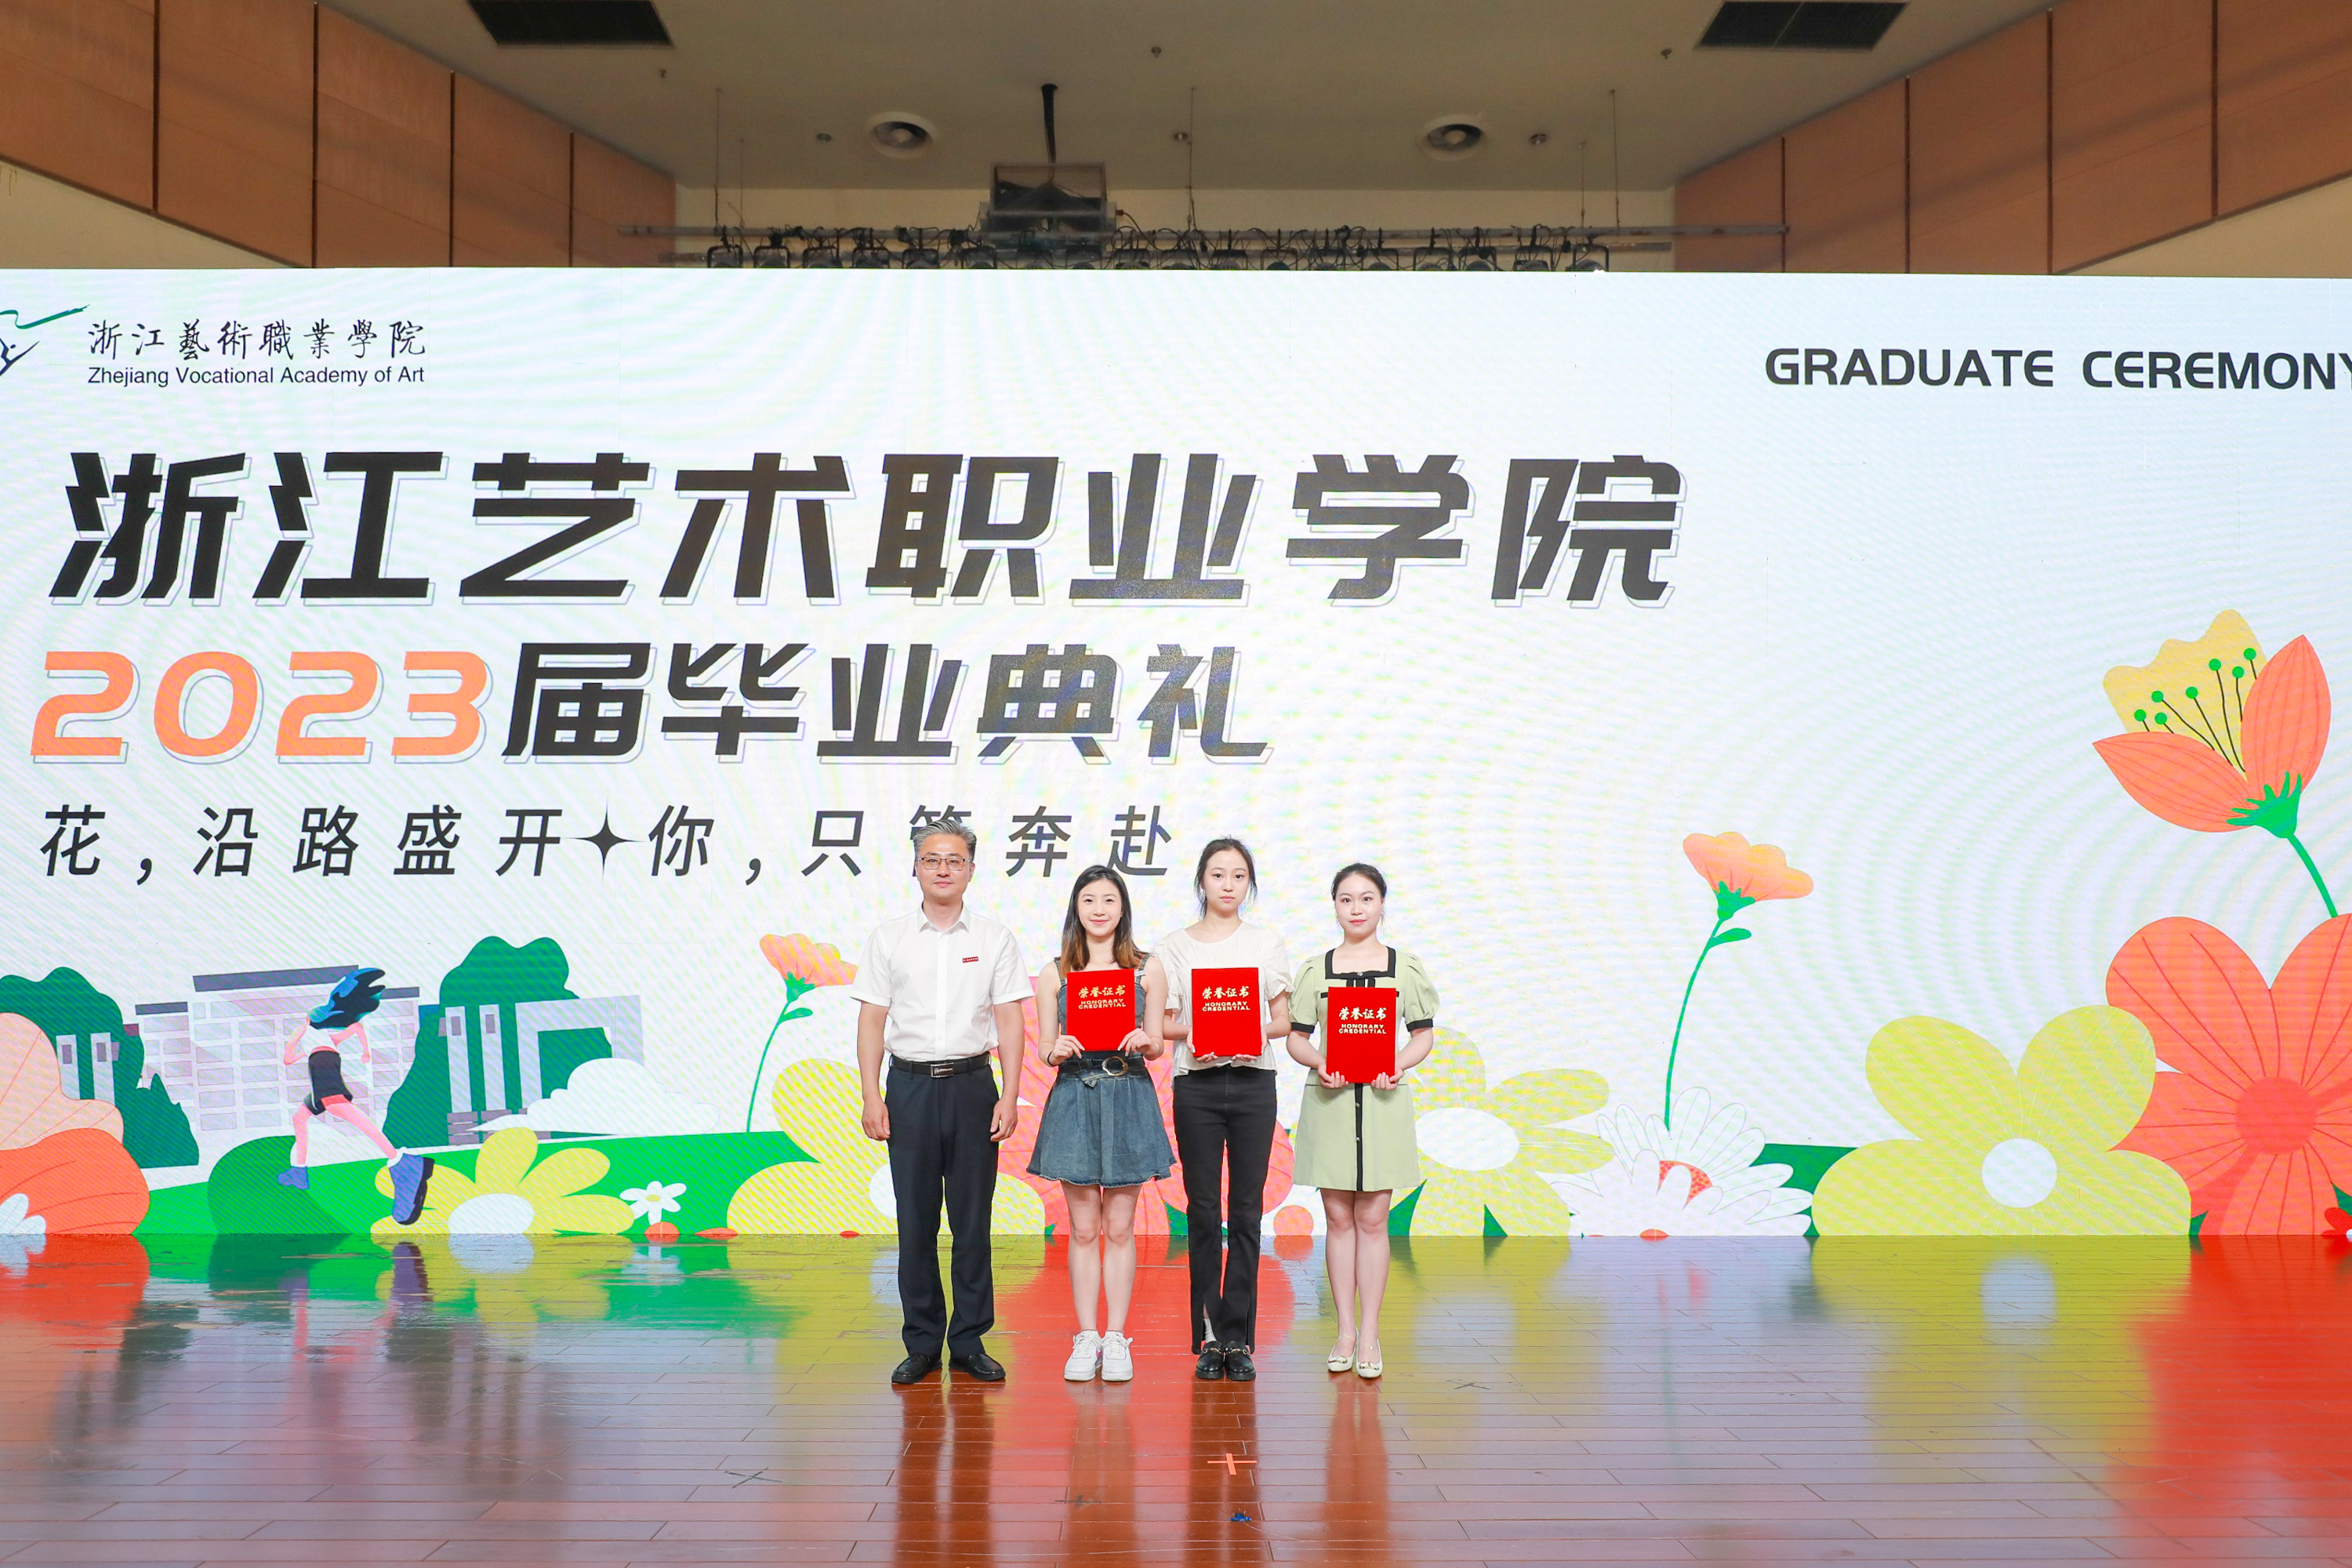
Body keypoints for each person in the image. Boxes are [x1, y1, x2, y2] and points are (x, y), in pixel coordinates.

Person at [852, 818, 1030, 1387]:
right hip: (908, 1088)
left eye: (955, 859)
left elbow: (1010, 1021)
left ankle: (970, 1341)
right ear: (916, 868)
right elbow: (872, 1021)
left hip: (974, 1088)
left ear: (972, 870)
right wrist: (871, 1095)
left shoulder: (995, 938)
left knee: (973, 1223)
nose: (943, 869)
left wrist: (1010, 1095)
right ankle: (923, 1343)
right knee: (916, 1223)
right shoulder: (888, 938)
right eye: (932, 859)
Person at [1288, 863, 1436, 1381]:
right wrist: (1318, 1062)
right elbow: (1297, 1037)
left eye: (1366, 898)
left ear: (1382, 904)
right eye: (1346, 899)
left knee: (1374, 1220)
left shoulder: (1404, 968)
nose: (1356, 908)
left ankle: (1371, 1333)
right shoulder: (1316, 969)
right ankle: (1345, 1331)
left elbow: (1422, 1034)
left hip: (1382, 1103)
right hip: (1331, 1103)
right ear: (1335, 906)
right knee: (1338, 1219)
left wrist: (1398, 1063)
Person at [1028, 865, 1174, 1383]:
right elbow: (1045, 1047)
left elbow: (1158, 1044)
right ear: (1076, 907)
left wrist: (1147, 1041)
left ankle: (1116, 1338)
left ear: (1123, 908)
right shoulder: (1056, 973)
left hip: (1128, 1094)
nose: (1099, 909)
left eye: (1109, 899)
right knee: (1085, 1228)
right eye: (1089, 899)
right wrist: (1055, 1049)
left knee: (1119, 1227)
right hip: (1074, 1095)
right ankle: (1086, 1335)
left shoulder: (1147, 970)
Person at [1154, 837, 1292, 1383]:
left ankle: (1239, 1338)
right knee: (1205, 1210)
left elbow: (1282, 1021)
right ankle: (1211, 1337)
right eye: (1218, 874)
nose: (1228, 884)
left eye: (1238, 875)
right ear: (1201, 881)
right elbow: (1164, 1023)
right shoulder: (1173, 946)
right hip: (1198, 1085)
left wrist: (1245, 1032)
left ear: (1249, 883)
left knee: (1248, 1211)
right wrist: (1202, 1032)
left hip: (1255, 1082)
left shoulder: (1266, 942)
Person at [275, 967, 434, 1227]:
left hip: (321, 1064)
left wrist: (300, 1052)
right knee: (300, 1117)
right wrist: (365, 1051)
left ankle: (401, 1161)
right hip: (325, 1061)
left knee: (337, 1106)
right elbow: (357, 1027)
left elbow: (287, 1058)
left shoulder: (305, 1029)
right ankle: (298, 1171)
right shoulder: (328, 1037)